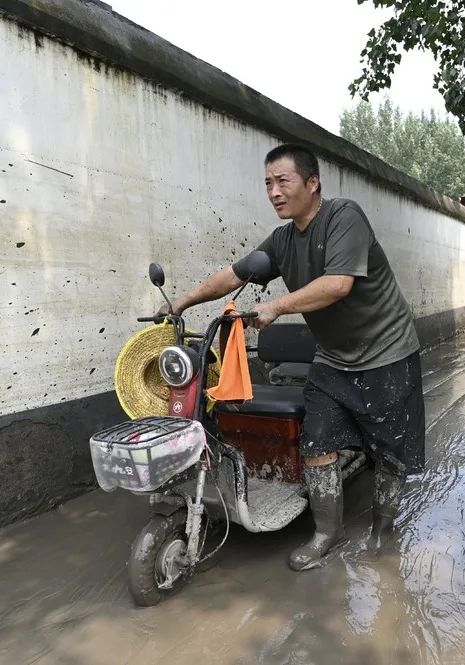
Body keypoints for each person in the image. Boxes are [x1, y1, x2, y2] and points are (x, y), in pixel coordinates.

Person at [165, 143, 425, 571]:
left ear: (312, 182)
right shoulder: (282, 241)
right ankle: (327, 533)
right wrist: (181, 301)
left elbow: (338, 283)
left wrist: (278, 307)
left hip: (386, 353)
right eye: (267, 183)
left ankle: (383, 527)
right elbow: (234, 274)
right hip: (333, 359)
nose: (273, 191)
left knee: (390, 454)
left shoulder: (344, 217)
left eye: (282, 181)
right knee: (316, 444)